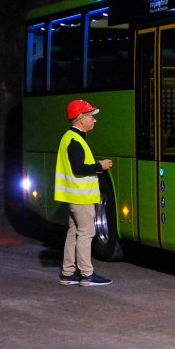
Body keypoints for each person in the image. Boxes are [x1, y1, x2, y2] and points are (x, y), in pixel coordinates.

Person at [55, 99, 113, 286]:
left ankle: (68, 273)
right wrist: (100, 166)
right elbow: (79, 167)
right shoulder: (75, 140)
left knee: (74, 233)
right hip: (81, 196)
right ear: (80, 119)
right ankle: (86, 275)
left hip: (73, 195)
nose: (94, 120)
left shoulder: (70, 137)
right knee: (86, 233)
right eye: (90, 117)